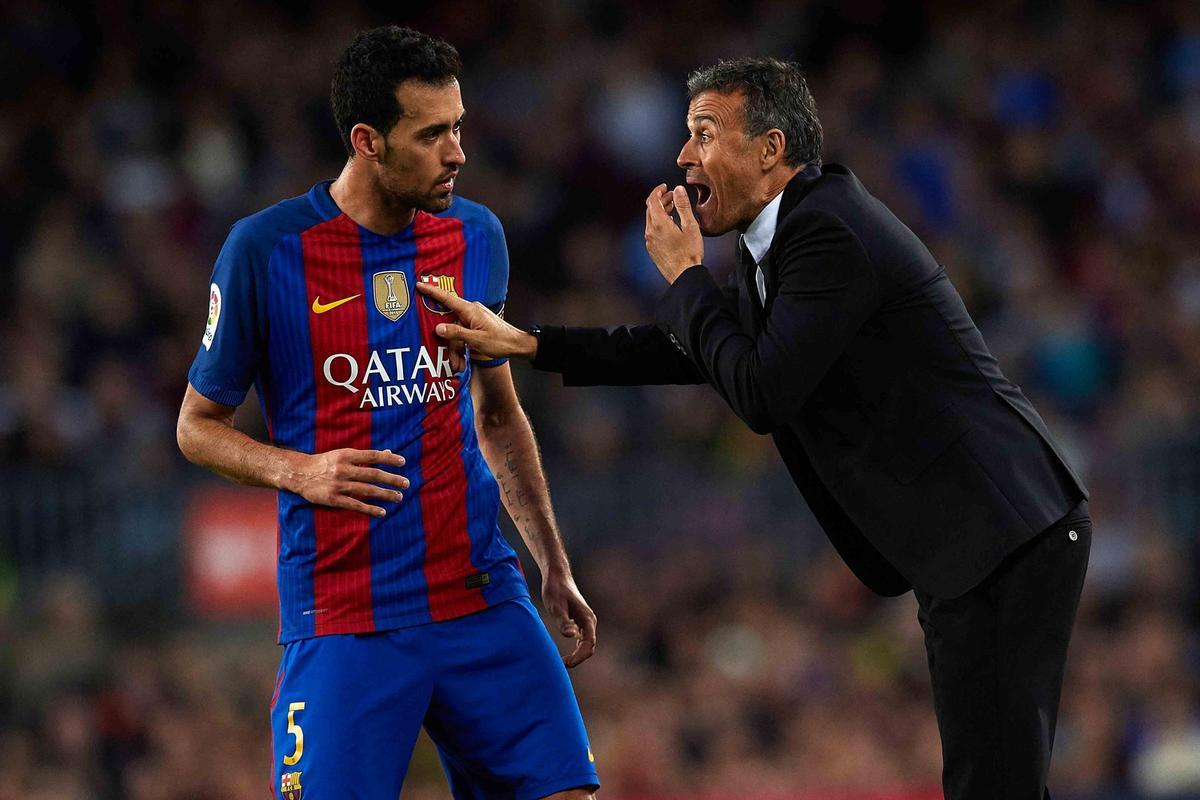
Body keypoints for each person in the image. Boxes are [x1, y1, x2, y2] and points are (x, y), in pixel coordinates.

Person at [419, 58, 1090, 799]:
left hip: (1005, 531)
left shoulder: (829, 230)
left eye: (704, 133)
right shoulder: (786, 239)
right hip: (970, 540)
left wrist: (684, 279)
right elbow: (697, 349)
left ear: (770, 151)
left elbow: (762, 391)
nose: (682, 157)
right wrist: (531, 343)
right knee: (987, 780)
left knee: (995, 783)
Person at [176, 26, 599, 800]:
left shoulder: (476, 237)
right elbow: (195, 425)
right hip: (346, 615)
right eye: (432, 134)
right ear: (368, 141)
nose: (458, 152)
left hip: (478, 594)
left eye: (459, 126)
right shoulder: (266, 251)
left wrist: (552, 561)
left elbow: (497, 414)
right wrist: (297, 470)